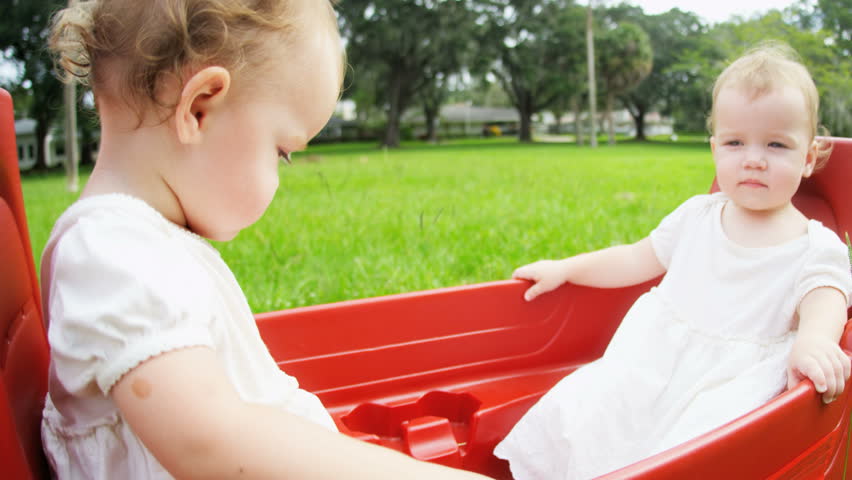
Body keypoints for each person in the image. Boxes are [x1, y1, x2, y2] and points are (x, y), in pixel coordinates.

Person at [41, 1, 491, 479]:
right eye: (283, 151)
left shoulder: (138, 245)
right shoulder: (113, 254)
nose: (279, 176)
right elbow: (208, 442)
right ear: (199, 107)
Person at [494, 42, 852, 480]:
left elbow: (827, 295)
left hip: (729, 385)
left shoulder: (815, 245)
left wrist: (815, 339)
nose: (753, 160)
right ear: (714, 148)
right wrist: (567, 268)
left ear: (810, 156)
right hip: (650, 362)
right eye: (735, 142)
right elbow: (633, 258)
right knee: (589, 410)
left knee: (690, 447)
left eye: (776, 145)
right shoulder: (696, 217)